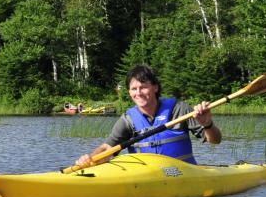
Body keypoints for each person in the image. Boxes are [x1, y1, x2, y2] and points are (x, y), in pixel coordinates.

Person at [75, 64, 221, 168]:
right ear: (129, 92)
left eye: (143, 87)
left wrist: (207, 124)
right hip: (146, 177)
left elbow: (215, 140)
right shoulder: (128, 119)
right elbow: (108, 148)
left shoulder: (179, 109)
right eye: (133, 89)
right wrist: (90, 160)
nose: (138, 93)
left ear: (155, 87)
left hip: (182, 174)